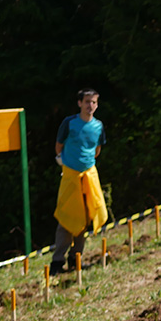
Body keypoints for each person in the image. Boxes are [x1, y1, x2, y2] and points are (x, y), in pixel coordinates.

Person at [51, 88, 108, 276]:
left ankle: (76, 257)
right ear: (79, 103)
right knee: (67, 215)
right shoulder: (69, 123)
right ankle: (57, 260)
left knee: (84, 216)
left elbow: (97, 149)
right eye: (87, 102)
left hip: (89, 175)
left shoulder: (98, 126)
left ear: (97, 104)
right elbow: (59, 145)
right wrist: (63, 160)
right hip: (70, 175)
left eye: (93, 102)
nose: (90, 106)